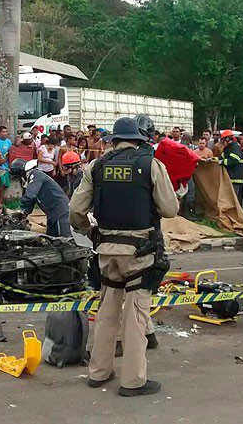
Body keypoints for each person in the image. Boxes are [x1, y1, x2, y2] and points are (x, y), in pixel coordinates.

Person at [70, 116, 178, 397]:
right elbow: (170, 209)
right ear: (140, 140)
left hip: (106, 250)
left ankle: (99, 372)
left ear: (113, 140)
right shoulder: (150, 165)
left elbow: (75, 211)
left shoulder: (96, 166)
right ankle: (133, 381)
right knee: (136, 315)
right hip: (140, 251)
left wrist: (91, 232)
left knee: (107, 310)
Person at [16, 159, 71, 237]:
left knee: (65, 241)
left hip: (61, 213)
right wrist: (24, 213)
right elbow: (31, 201)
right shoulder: (32, 177)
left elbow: (30, 195)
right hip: (52, 214)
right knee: (51, 241)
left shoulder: (36, 175)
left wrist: (21, 210)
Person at [219, 130, 243, 202]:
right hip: (229, 177)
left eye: (223, 140)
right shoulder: (227, 148)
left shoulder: (236, 147)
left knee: (235, 199)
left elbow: (234, 160)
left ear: (227, 139)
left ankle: (237, 213)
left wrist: (222, 162)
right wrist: (212, 160)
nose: (222, 142)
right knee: (229, 199)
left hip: (236, 178)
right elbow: (221, 157)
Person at [0, 126, 12, 208]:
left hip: (6, 165)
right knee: (0, 183)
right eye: (3, 132)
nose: (4, 134)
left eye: (6, 132)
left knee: (5, 185)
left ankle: (1, 201)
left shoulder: (8, 141)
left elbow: (10, 152)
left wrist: (5, 160)